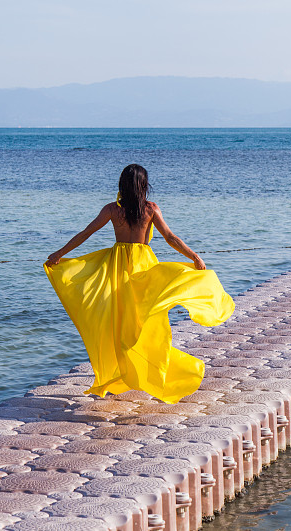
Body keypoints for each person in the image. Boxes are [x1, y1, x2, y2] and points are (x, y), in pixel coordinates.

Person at [44, 164, 234, 403]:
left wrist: (59, 254)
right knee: (146, 324)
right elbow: (170, 238)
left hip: (117, 271)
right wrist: (194, 256)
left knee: (120, 324)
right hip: (144, 270)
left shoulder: (113, 210)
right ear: (145, 186)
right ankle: (141, 373)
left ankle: (129, 374)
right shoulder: (150, 209)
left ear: (122, 185)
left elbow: (85, 233)